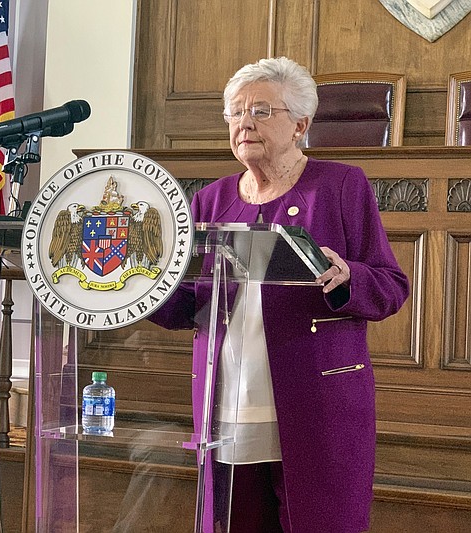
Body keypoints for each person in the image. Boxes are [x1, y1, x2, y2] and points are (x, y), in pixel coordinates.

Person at [149, 57, 410, 532]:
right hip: (226, 405)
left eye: (262, 112)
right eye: (235, 113)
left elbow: (391, 287)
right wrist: (142, 287)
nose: (244, 123)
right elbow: (191, 303)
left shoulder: (340, 186)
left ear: (300, 125)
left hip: (317, 405)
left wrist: (346, 275)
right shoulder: (209, 199)